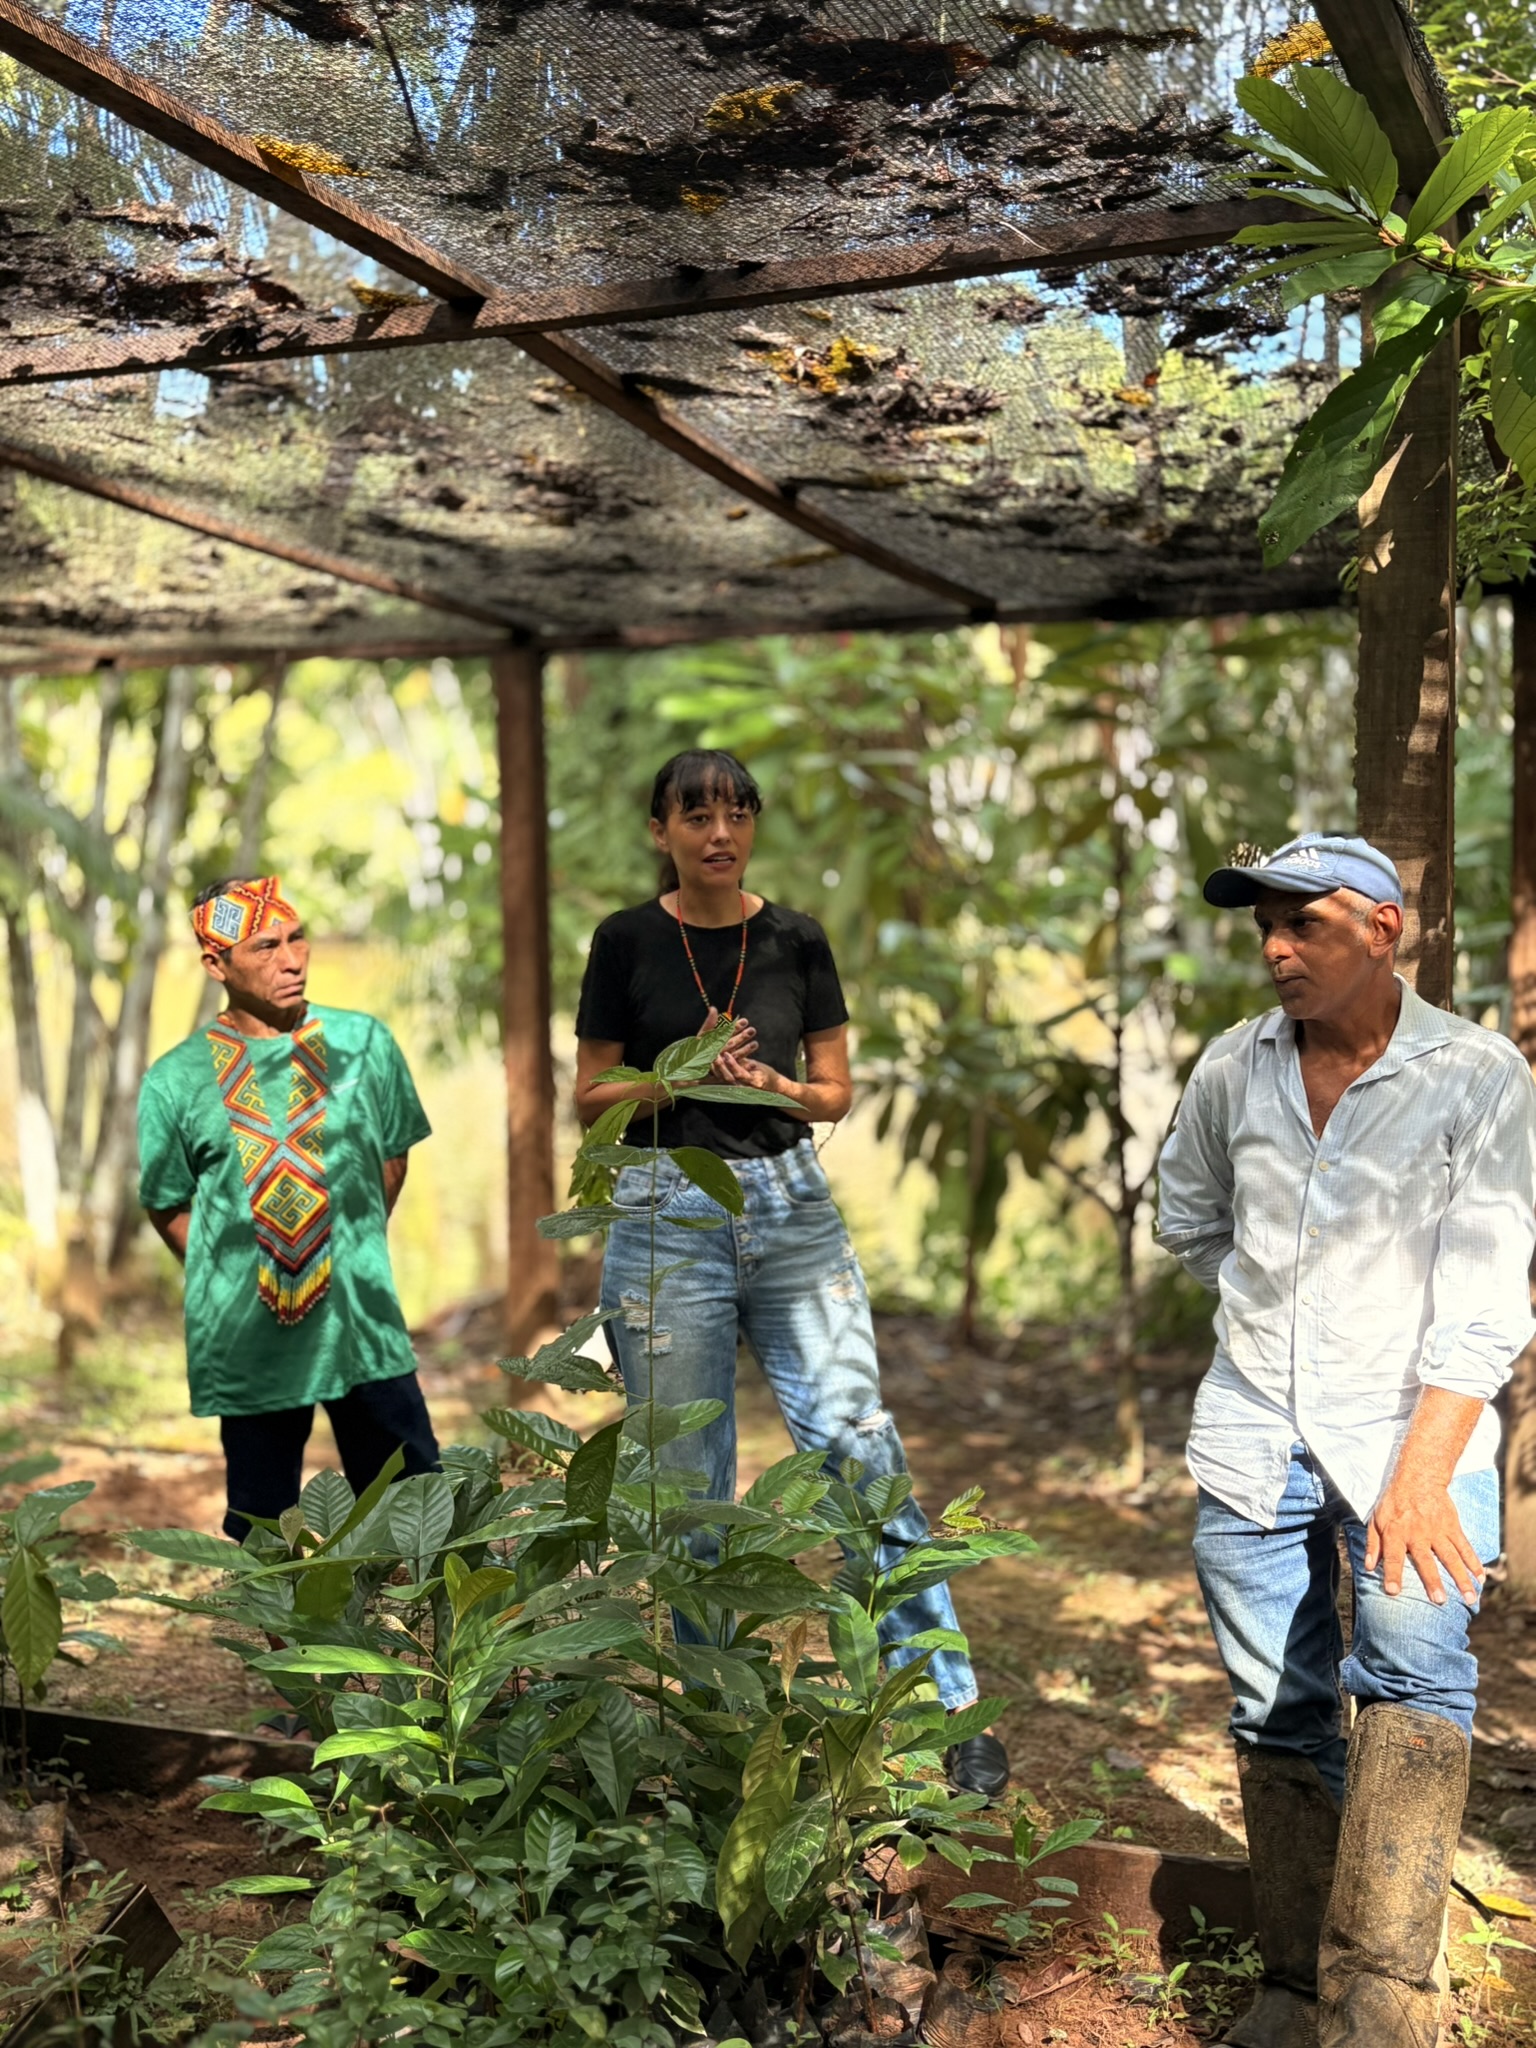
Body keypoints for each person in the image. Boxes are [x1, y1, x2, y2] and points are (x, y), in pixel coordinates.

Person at [1156, 833, 1536, 2048]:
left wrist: (1418, 1474)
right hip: (1254, 1429)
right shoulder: (1235, 1065)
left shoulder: (1474, 1073)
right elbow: (1189, 1219)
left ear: (1383, 929)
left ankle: (1381, 2003)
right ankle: (1294, 1980)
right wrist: (1289, 1315)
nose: (1276, 948)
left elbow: (1488, 1302)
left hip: (1414, 1437)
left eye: (1303, 923)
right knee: (1278, 1707)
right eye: (1264, 927)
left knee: (1415, 1684)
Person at [574, 750, 1009, 1799]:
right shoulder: (626, 939)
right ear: (661, 831)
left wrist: (774, 1086)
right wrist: (677, 1074)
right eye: (696, 816)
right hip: (665, 1207)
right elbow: (591, 1093)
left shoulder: (796, 938)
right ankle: (718, 1727)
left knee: (860, 1447)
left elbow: (835, 1090)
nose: (719, 832)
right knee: (688, 1481)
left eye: (737, 813)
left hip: (790, 1205)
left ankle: (948, 1707)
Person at [139, 876, 440, 1540]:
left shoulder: (365, 1042)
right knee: (263, 1528)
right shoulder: (175, 1080)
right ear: (216, 964)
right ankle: (287, 1618)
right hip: (251, 1340)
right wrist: (243, 1272)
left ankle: (416, 1614)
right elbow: (167, 1204)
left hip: (361, 1325)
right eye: (266, 947)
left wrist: (345, 1249)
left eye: (297, 938)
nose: (292, 959)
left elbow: (392, 1156)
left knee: (417, 1507)